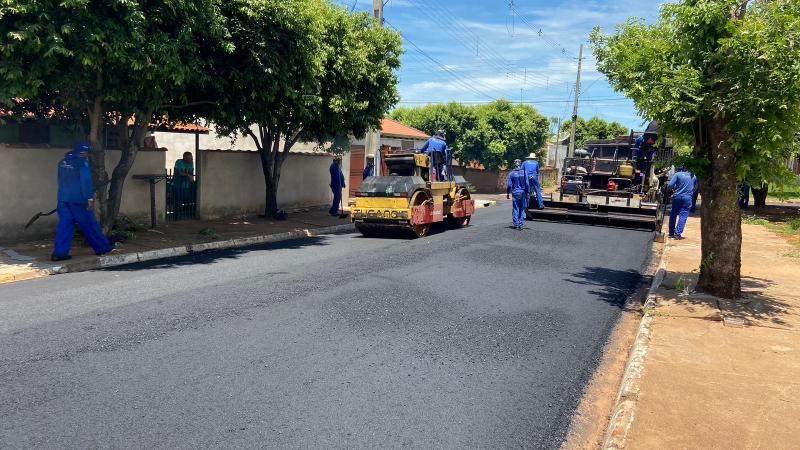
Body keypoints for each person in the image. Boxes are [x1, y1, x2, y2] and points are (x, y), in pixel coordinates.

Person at [51, 141, 112, 261]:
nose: (87, 155)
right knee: (90, 224)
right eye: (87, 153)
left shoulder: (62, 162)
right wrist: (89, 198)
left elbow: (60, 180)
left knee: (65, 226)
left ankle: (60, 253)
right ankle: (103, 247)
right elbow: (86, 182)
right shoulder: (83, 163)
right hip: (79, 201)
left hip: (63, 199)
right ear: (84, 152)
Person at [668, 166, 694, 239]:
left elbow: (670, 185)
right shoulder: (693, 176)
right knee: (683, 216)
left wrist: (674, 190)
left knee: (673, 214)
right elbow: (695, 188)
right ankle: (677, 234)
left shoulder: (677, 174)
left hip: (677, 197)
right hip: (688, 198)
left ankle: (671, 232)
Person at [506, 159, 530, 230]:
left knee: (515, 208)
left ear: (514, 164)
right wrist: (528, 193)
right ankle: (521, 224)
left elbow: (509, 185)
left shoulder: (511, 173)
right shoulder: (524, 172)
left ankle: (516, 224)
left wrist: (508, 193)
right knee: (522, 209)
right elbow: (527, 184)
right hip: (522, 193)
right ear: (520, 164)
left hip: (515, 193)